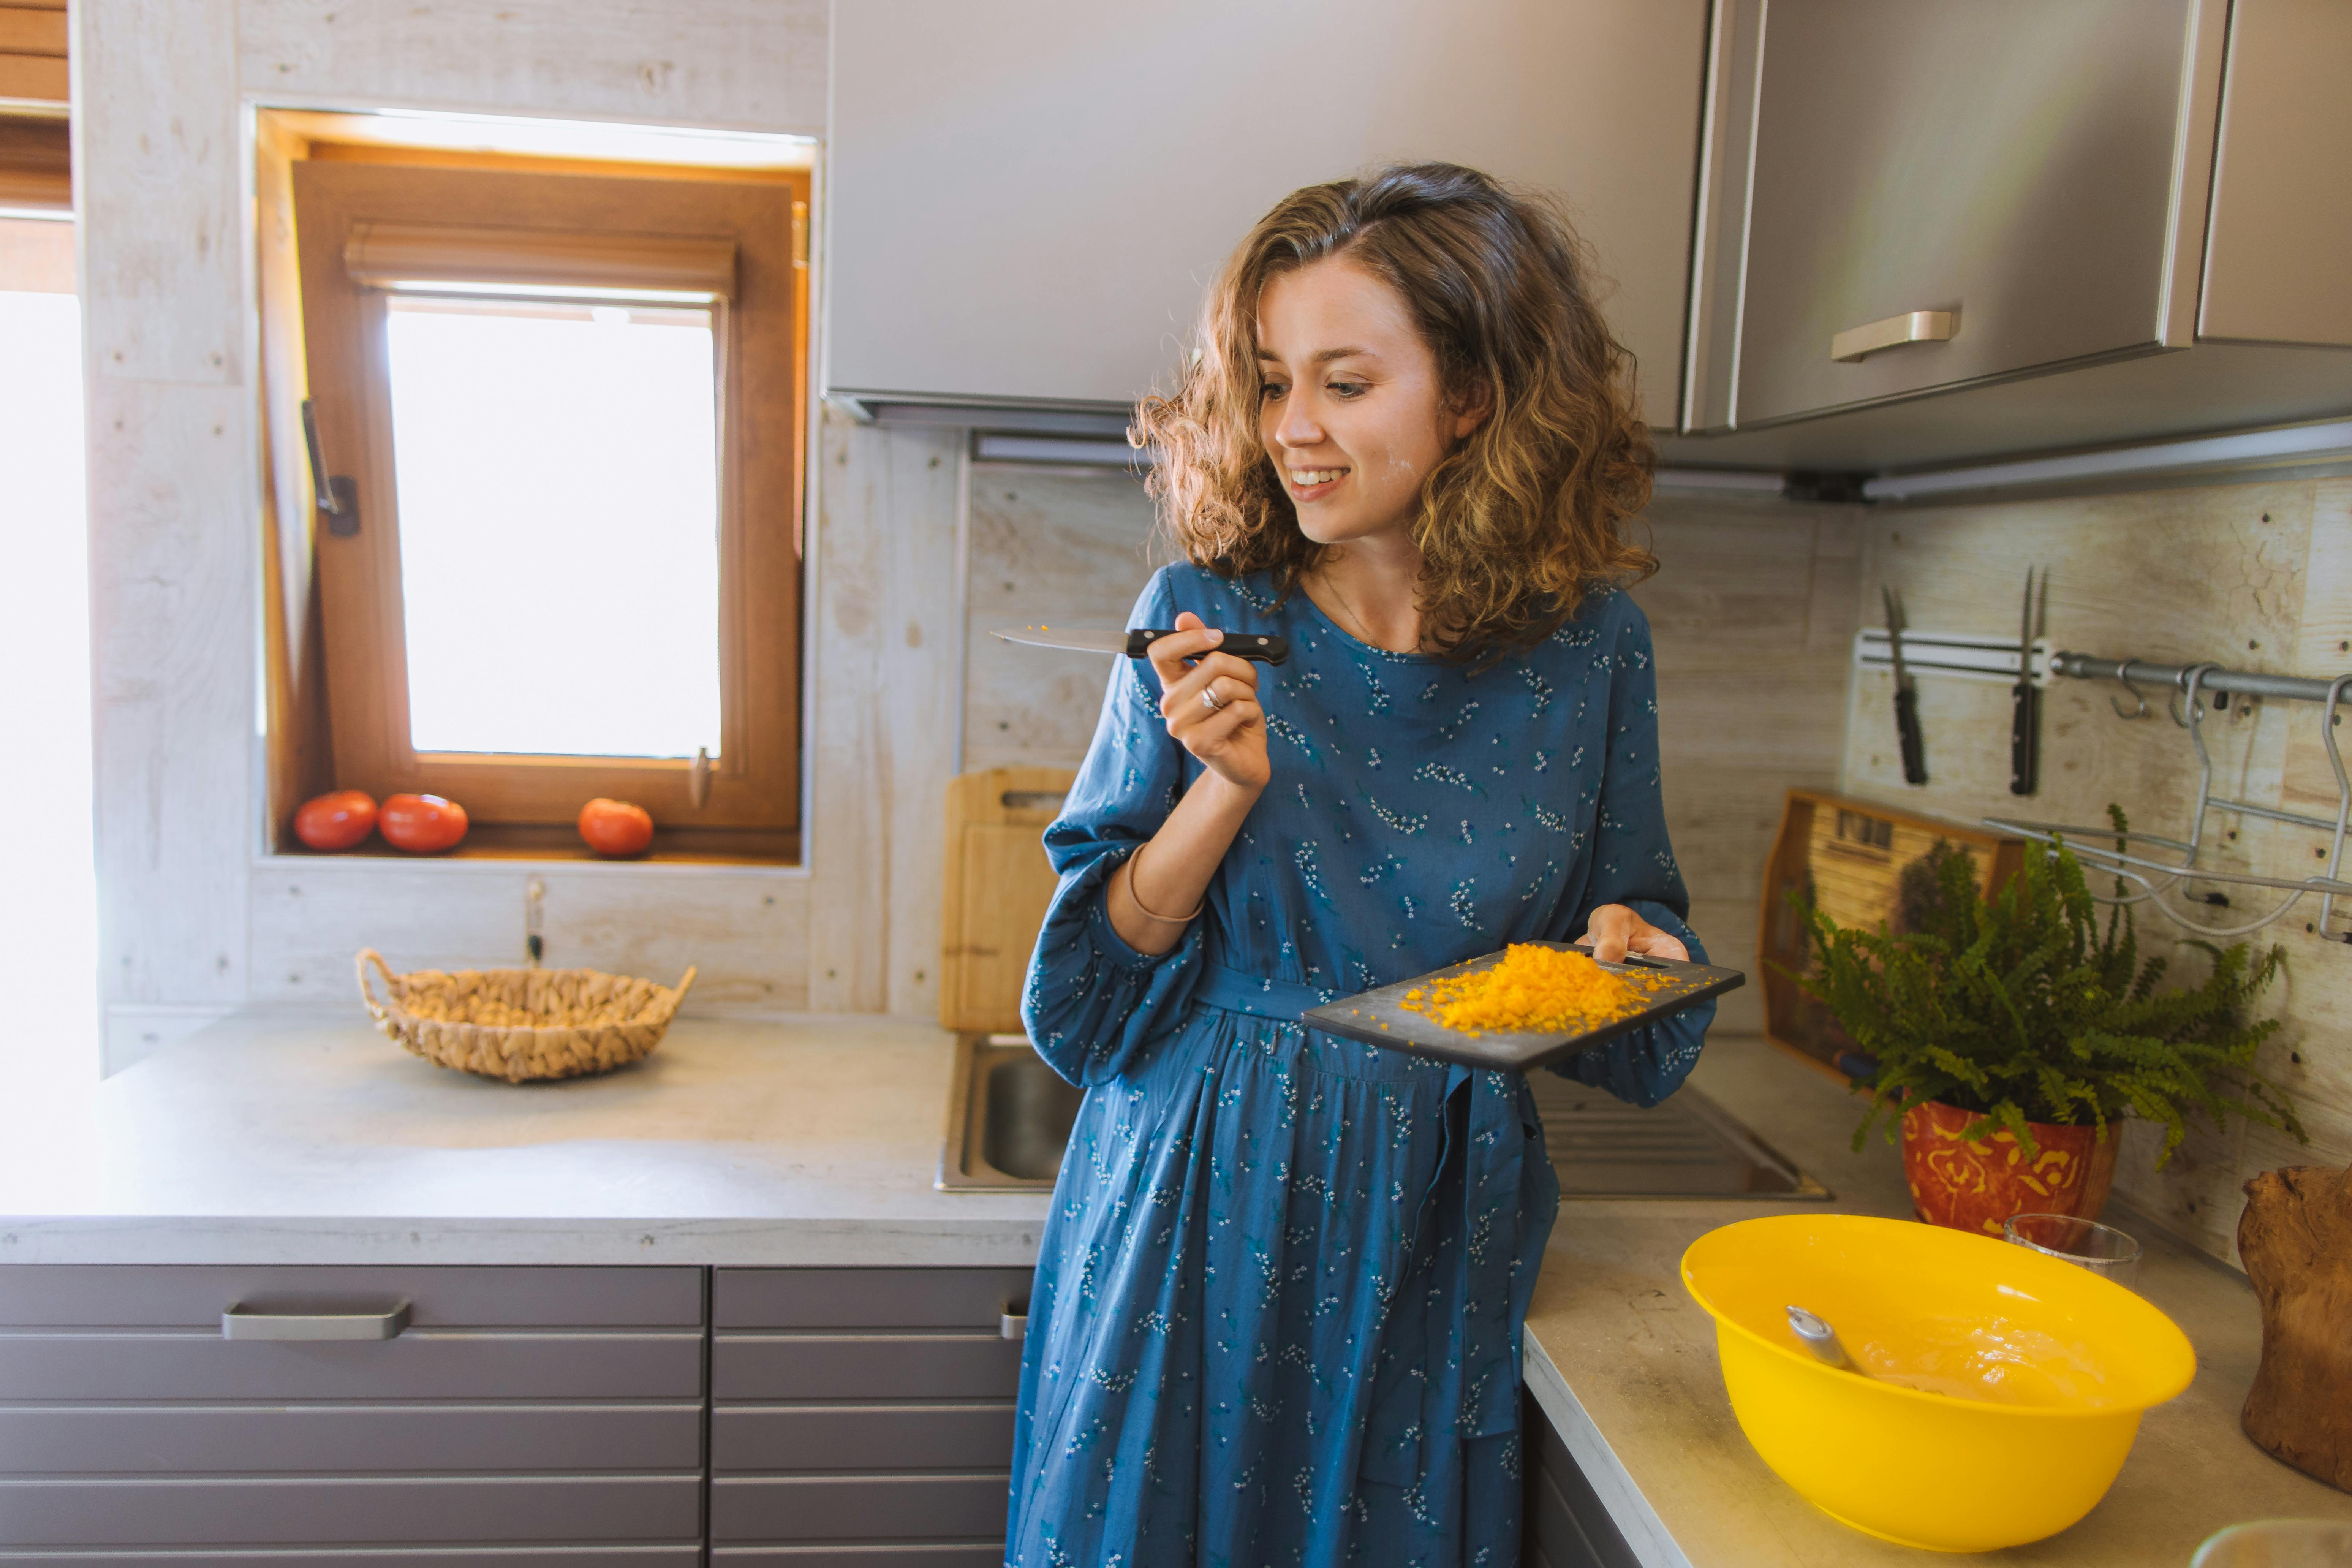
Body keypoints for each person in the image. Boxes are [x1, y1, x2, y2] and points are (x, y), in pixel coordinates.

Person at [1006, 162, 1713, 1568]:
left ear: (1476, 396)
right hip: (1196, 1205)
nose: (1293, 434)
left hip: (1437, 1232)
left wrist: (1630, 955)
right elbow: (1084, 1013)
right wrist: (1218, 793)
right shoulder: (1203, 615)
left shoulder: (1591, 652)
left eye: (1345, 383)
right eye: (1271, 383)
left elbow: (1638, 1023)